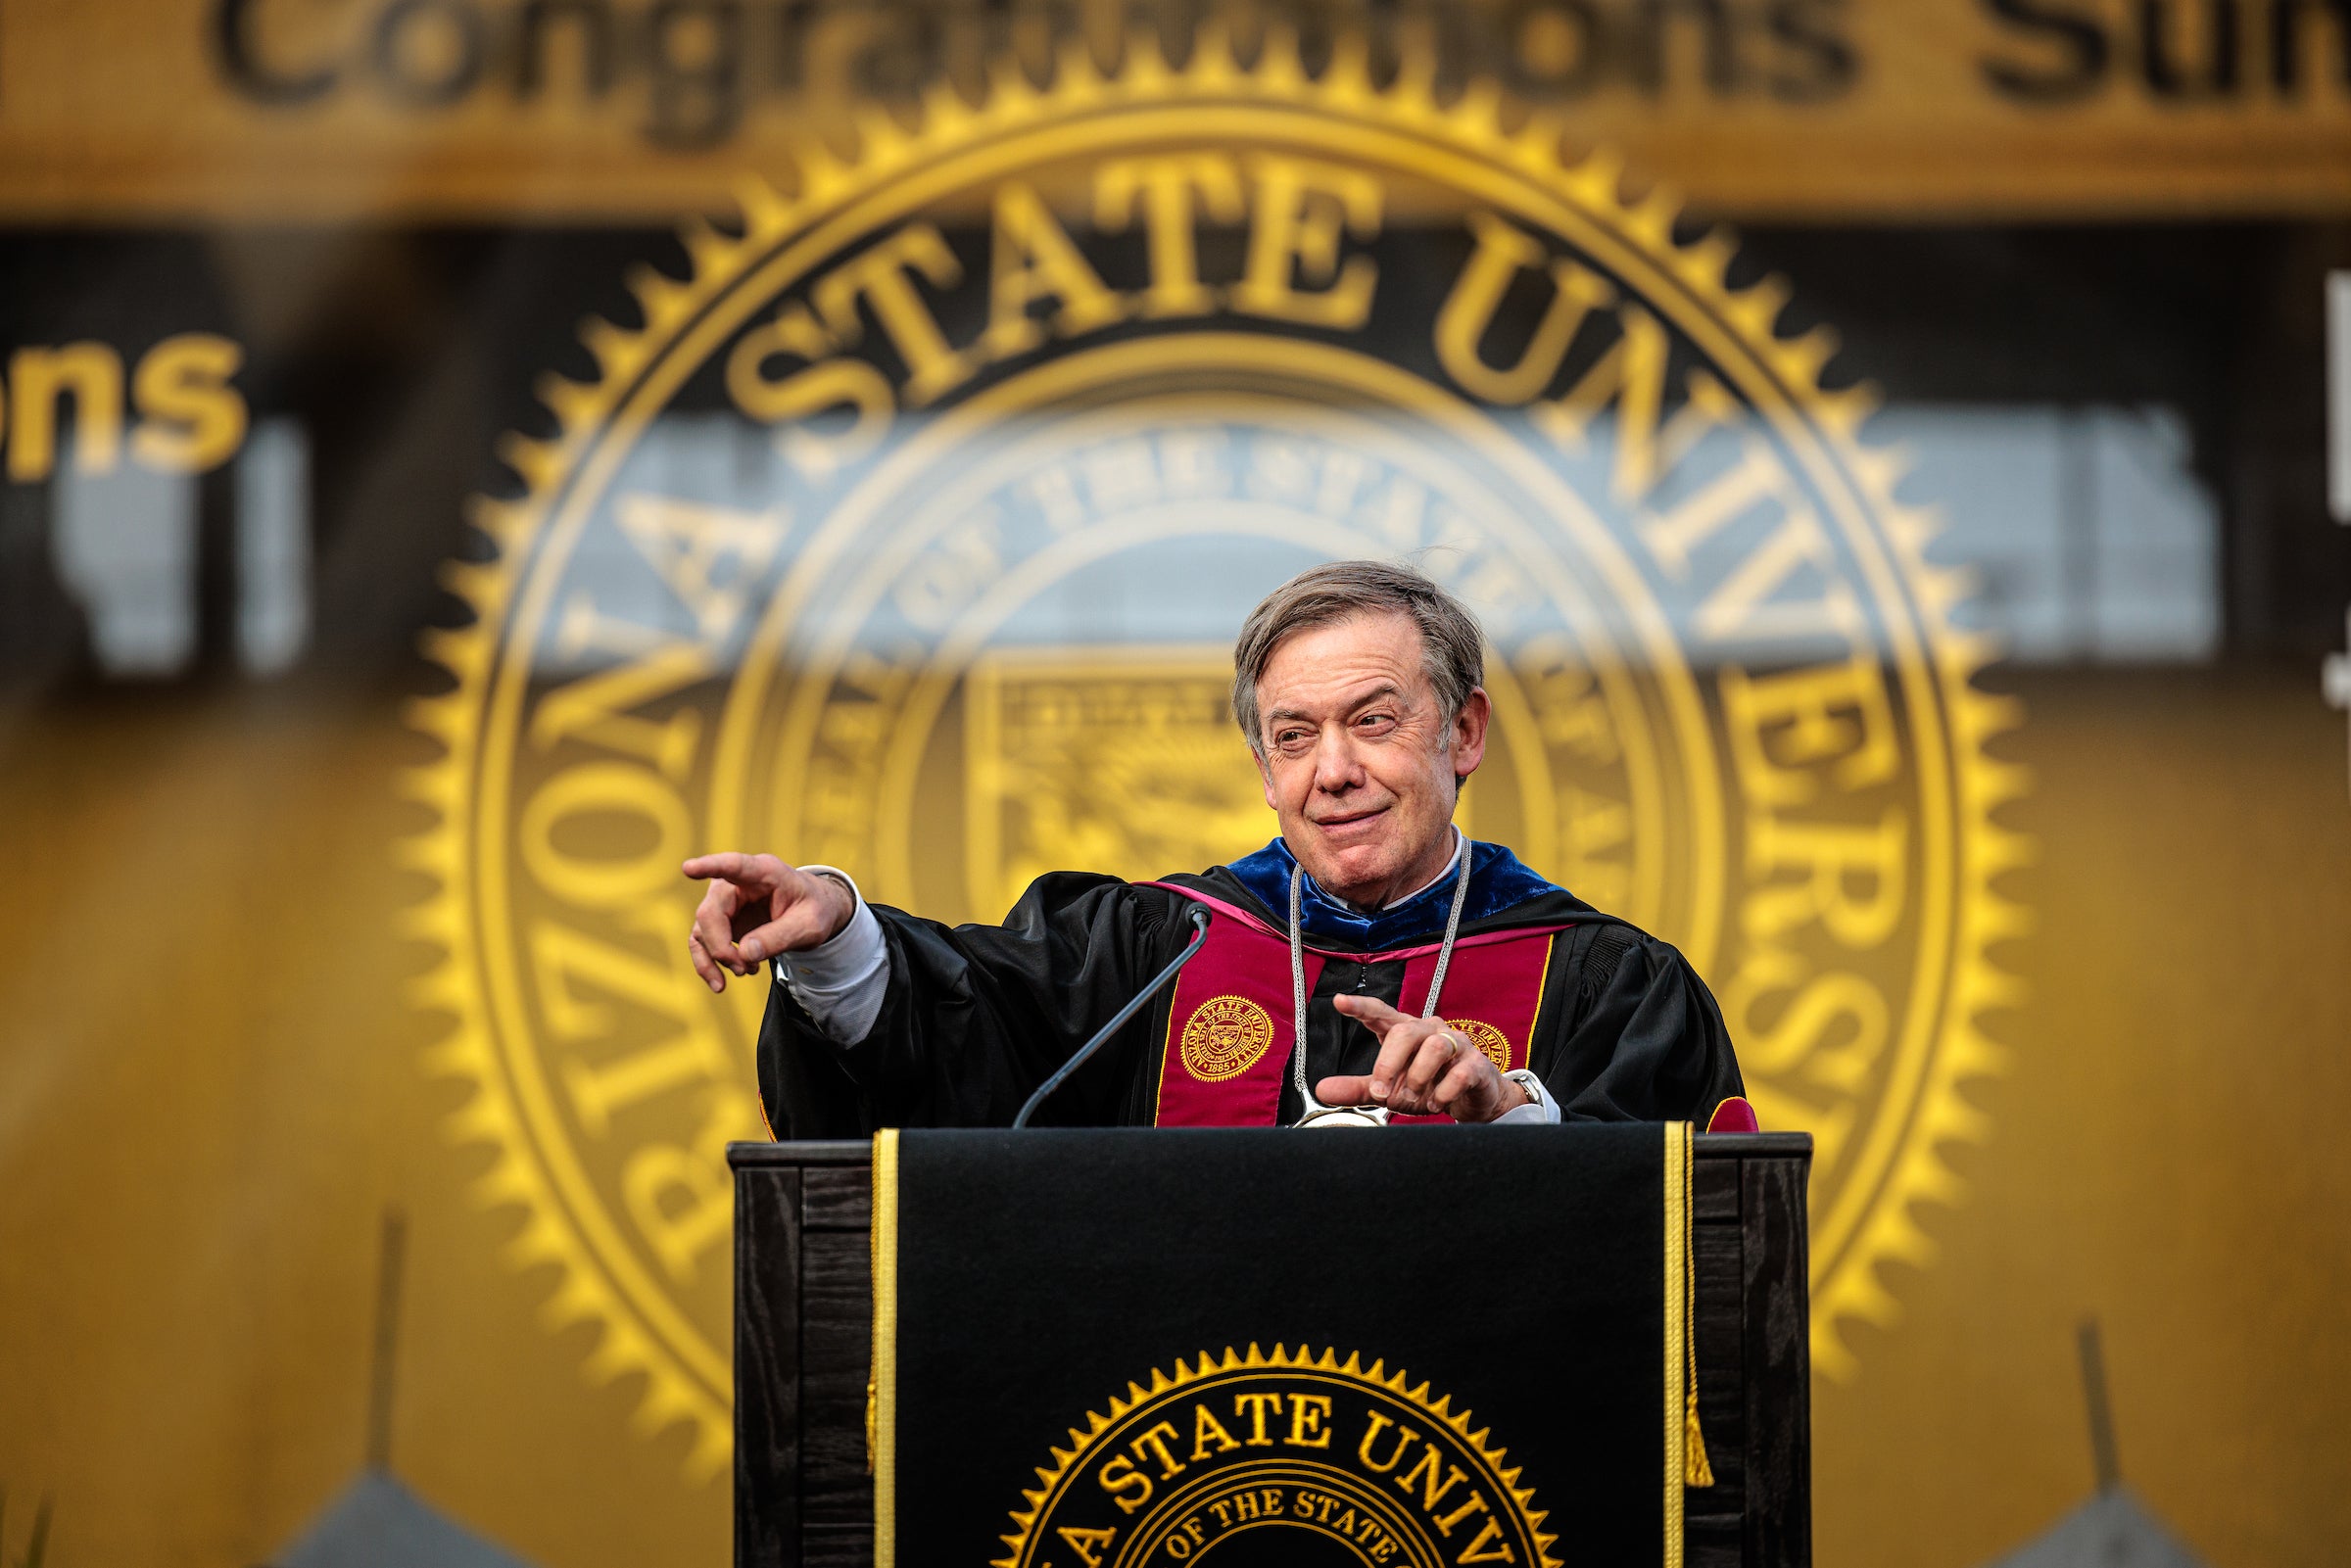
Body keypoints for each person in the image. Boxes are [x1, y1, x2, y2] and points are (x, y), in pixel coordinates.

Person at [686, 560, 1748, 1134]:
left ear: (1463, 732)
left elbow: (1692, 1243)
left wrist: (1509, 1115)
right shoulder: (1155, 951)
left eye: (1372, 720)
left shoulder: (1610, 984)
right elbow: (958, 1047)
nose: (1330, 769)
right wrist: (830, 932)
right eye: (1293, 736)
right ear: (1263, 766)